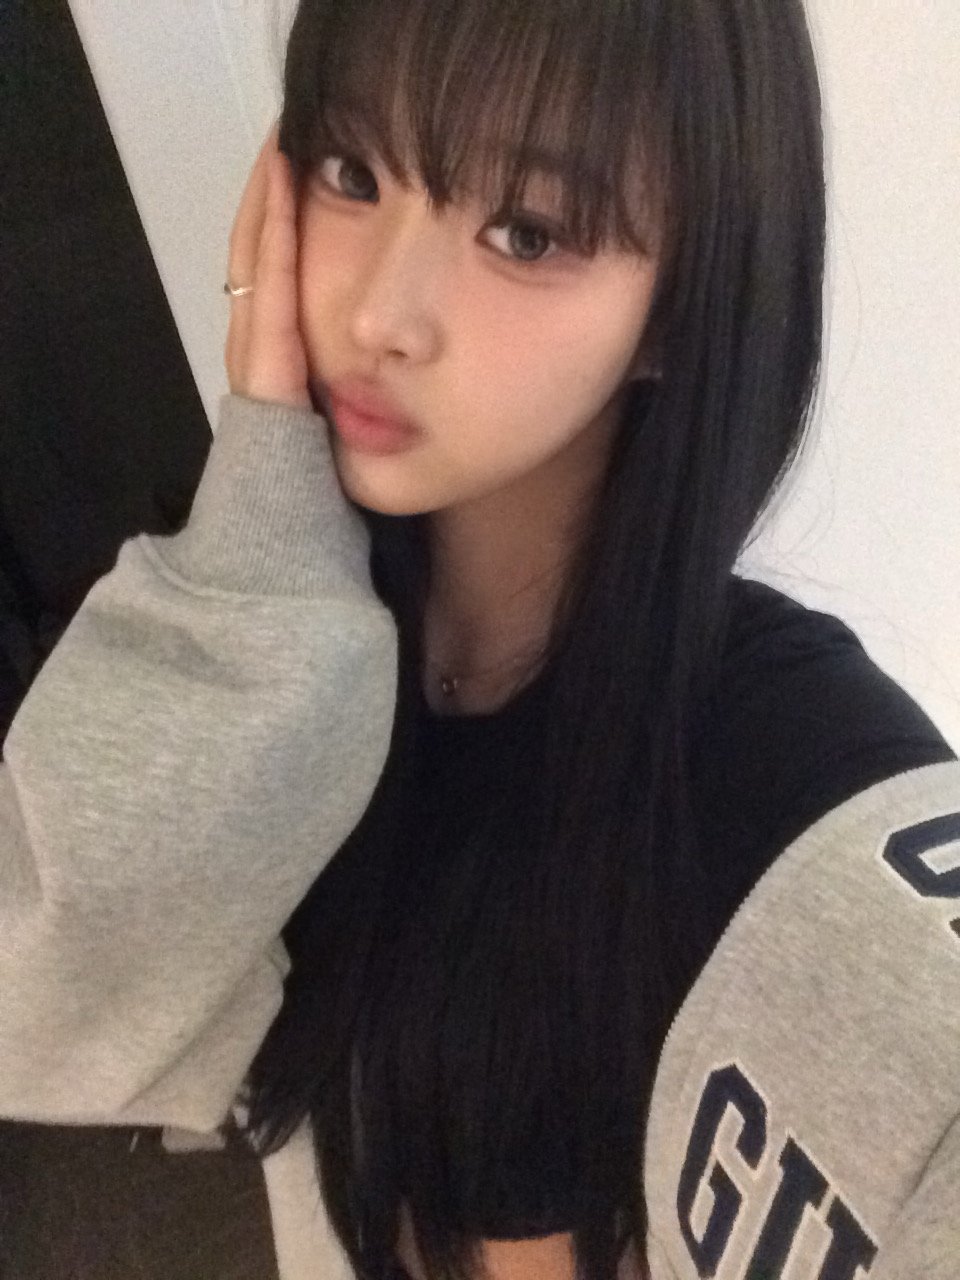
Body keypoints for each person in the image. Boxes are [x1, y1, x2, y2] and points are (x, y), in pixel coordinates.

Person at [0, 2, 957, 1279]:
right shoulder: (271, 645)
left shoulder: (775, 750)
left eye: (527, 232)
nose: (381, 314)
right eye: (353, 171)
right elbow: (31, 1010)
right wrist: (264, 496)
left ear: (682, 306)